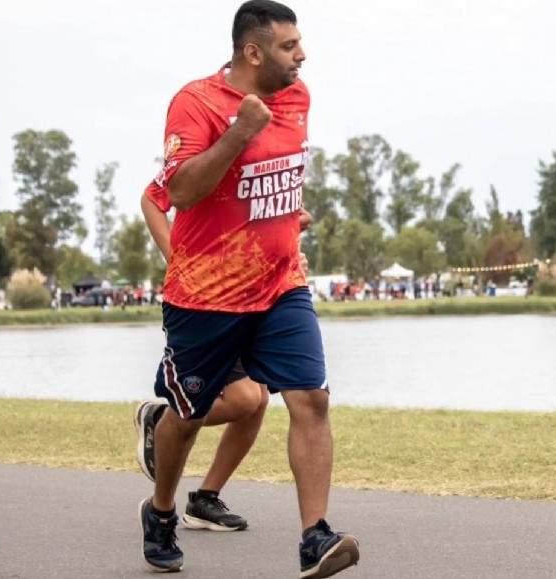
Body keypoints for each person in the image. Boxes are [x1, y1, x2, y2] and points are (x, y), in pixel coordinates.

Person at [137, 2, 359, 578]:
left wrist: (288, 217)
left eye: (300, 44)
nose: (302, 56)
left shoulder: (299, 98)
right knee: (184, 419)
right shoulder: (197, 102)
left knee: (310, 399)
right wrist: (239, 131)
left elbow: (265, 185)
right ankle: (161, 511)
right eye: (290, 47)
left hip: (281, 283)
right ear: (252, 52)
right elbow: (181, 192)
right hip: (206, 294)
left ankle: (315, 537)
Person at [135, 191, 312, 534]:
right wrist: (180, 263)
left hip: (261, 297)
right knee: (244, 399)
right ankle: (163, 421)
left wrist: (291, 246)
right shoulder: (210, 158)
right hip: (213, 301)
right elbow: (153, 198)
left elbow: (266, 227)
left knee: (258, 401)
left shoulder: (273, 164)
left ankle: (205, 498)